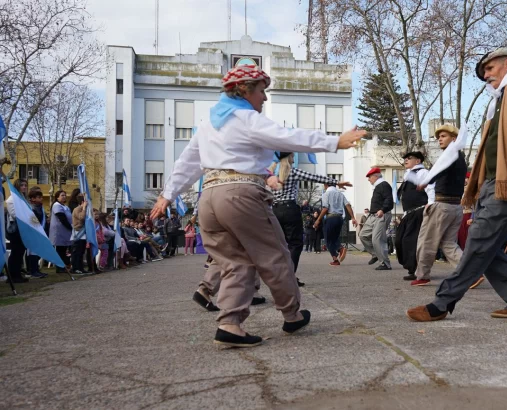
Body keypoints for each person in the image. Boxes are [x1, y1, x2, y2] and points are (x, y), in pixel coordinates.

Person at [149, 63, 365, 348]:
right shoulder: (245, 118)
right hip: (241, 195)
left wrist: (168, 194)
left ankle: (230, 323)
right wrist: (335, 141)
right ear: (245, 89)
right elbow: (288, 137)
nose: (264, 98)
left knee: (234, 262)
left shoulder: (208, 124)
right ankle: (292, 315)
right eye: (262, 91)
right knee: (273, 255)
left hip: (209, 199)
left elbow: (187, 163)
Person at [406, 47, 507, 322]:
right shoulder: (498, 100)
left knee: (478, 241)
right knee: (487, 244)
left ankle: (442, 303)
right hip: (491, 182)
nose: (486, 75)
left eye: (489, 68)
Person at [270, 152, 352, 285]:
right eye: (292, 156)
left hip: (275, 210)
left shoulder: (271, 172)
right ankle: (289, 277)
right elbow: (314, 177)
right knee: (295, 244)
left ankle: (280, 276)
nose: (293, 158)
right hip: (290, 209)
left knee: (281, 245)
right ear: (289, 158)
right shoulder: (293, 171)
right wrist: (336, 181)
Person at [410, 125, 467, 286]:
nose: (439, 139)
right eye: (438, 137)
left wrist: (426, 181)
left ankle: (422, 275)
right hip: (455, 207)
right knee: (448, 243)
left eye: (443, 136)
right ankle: (470, 272)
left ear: (454, 138)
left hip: (442, 206)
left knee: (426, 241)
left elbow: (438, 172)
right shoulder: (460, 157)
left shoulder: (449, 155)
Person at [395, 151, 434, 280]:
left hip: (419, 211)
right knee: (399, 240)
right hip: (408, 214)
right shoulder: (408, 175)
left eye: (409, 158)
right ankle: (412, 267)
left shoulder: (423, 173)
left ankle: (415, 270)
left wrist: (431, 204)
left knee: (410, 241)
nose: (406, 160)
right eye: (405, 158)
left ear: (418, 161)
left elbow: (431, 188)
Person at [314, 181, 358, 266]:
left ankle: (339, 249)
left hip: (331, 218)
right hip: (339, 218)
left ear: (326, 185)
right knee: (335, 237)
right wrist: (353, 217)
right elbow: (348, 205)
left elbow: (325, 208)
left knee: (328, 239)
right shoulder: (340, 194)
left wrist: (318, 220)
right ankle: (335, 259)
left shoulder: (326, 194)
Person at [360, 167, 394, 271]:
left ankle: (385, 263)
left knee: (377, 239)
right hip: (373, 215)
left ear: (375, 176)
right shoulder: (377, 186)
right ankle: (375, 254)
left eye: (369, 177)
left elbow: (389, 200)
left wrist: (383, 210)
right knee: (363, 235)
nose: (368, 179)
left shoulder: (384, 185)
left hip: (382, 214)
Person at [6, 179, 29, 283]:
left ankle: (18, 274)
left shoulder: (23, 198)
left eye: (25, 185)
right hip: (15, 230)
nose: (24, 187)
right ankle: (12, 275)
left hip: (23, 229)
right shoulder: (12, 199)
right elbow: (15, 215)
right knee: (16, 252)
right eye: (22, 185)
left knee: (20, 252)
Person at [24, 188, 48, 279]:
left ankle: (36, 270)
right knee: (33, 252)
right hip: (34, 232)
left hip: (40, 231)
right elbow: (32, 220)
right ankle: (32, 271)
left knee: (37, 252)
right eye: (39, 197)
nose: (41, 199)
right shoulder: (32, 207)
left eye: (41, 197)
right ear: (33, 199)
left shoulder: (40, 207)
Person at [49, 190, 73, 274]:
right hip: (59, 231)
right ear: (57, 197)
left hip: (65, 231)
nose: (64, 197)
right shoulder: (56, 205)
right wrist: (70, 227)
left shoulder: (65, 206)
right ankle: (59, 267)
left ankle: (64, 266)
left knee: (63, 250)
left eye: (65, 195)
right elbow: (62, 218)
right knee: (60, 249)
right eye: (62, 195)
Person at [70, 194, 90, 274]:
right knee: (77, 252)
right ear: (83, 201)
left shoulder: (84, 209)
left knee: (81, 252)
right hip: (78, 233)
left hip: (83, 233)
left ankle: (80, 268)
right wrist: (84, 208)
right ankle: (75, 268)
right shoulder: (77, 209)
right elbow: (81, 217)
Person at [457, 172, 474, 251]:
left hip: (469, 213)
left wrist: (472, 216)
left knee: (467, 235)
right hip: (462, 213)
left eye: (467, 178)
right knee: (461, 235)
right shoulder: (461, 189)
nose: (465, 180)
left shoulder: (471, 190)